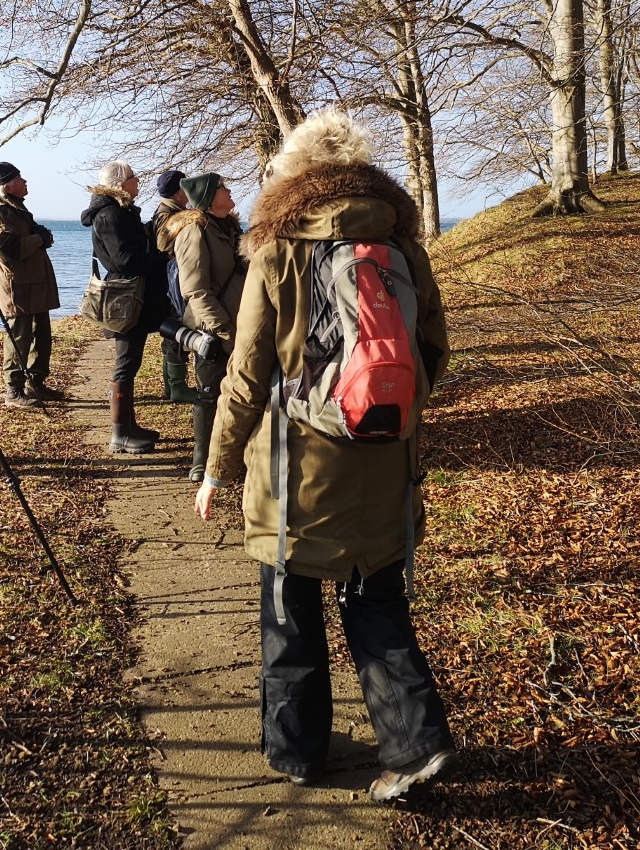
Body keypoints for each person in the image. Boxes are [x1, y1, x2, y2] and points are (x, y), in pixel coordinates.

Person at [193, 110, 455, 800]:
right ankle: (415, 743)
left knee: (290, 610)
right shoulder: (400, 243)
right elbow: (434, 346)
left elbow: (246, 373)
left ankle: (296, 751)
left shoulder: (278, 249)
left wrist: (216, 466)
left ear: (295, 176)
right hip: (386, 462)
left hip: (295, 471)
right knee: (377, 605)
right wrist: (391, 410)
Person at [81, 160, 168, 453]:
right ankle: (120, 434)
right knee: (125, 363)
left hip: (131, 295)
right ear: (120, 183)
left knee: (131, 362)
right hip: (125, 298)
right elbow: (125, 261)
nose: (138, 181)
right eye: (133, 177)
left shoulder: (118, 212)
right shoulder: (110, 216)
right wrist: (164, 261)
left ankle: (129, 426)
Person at [167, 172, 246, 481]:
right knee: (209, 393)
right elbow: (195, 291)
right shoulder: (195, 232)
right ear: (211, 197)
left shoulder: (230, 227)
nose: (230, 190)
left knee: (239, 393)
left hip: (239, 327)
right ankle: (202, 460)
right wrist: (225, 330)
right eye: (224, 187)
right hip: (212, 330)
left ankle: (234, 456)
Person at [0, 161, 60, 409]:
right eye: (20, 179)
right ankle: (13, 390)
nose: (25, 183)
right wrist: (38, 239)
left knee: (41, 334)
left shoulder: (16, 209)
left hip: (34, 283)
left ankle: (36, 384)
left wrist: (39, 237)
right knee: (19, 336)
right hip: (17, 286)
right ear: (8, 185)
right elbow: (8, 252)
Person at [150, 169, 197, 404]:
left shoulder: (170, 211)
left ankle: (173, 385)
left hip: (171, 281)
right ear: (179, 192)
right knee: (177, 331)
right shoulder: (170, 214)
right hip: (174, 281)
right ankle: (176, 386)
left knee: (172, 332)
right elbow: (163, 244)